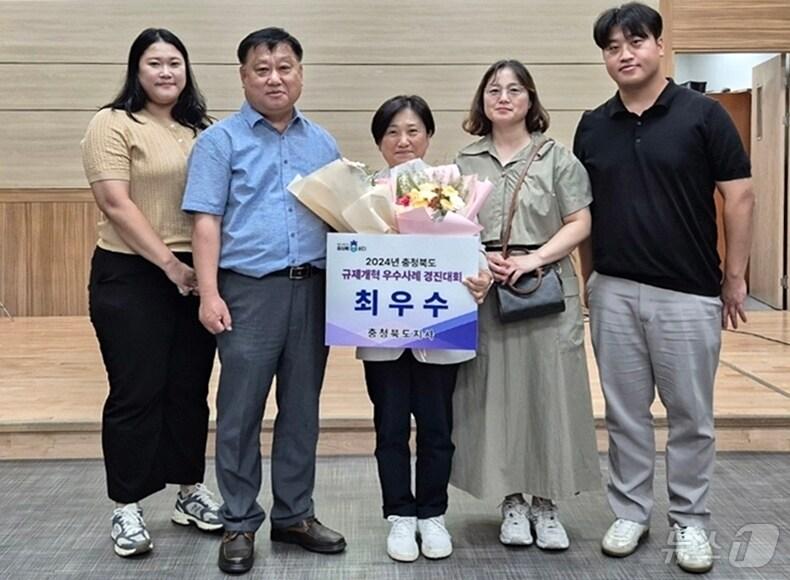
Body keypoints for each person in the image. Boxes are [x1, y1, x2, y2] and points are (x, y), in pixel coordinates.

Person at [573, 3, 754, 574]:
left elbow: (740, 198)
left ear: (657, 45)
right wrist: (590, 278)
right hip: (615, 290)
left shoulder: (704, 115)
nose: (624, 54)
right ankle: (630, 511)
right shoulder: (593, 124)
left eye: (635, 41)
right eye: (612, 47)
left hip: (689, 293)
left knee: (690, 416)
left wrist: (734, 279)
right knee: (626, 415)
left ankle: (691, 521)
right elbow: (583, 210)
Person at [182, 27, 346, 575]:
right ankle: (237, 520)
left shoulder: (322, 143)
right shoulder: (219, 142)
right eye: (262, 68)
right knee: (239, 412)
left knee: (302, 410)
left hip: (315, 289)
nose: (274, 77)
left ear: (300, 72)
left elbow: (344, 218)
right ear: (243, 76)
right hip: (248, 291)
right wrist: (209, 293)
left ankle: (295, 515)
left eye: (285, 67)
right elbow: (205, 221)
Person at [449, 59, 601, 551]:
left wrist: (532, 258)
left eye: (515, 89)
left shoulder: (558, 158)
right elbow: (449, 225)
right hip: (487, 288)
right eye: (494, 89)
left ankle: (547, 503)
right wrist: (481, 259)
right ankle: (510, 501)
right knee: (496, 395)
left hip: (546, 285)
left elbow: (579, 222)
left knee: (550, 393)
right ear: (482, 101)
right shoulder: (464, 161)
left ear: (531, 99)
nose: (504, 97)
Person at [81, 28, 220, 558]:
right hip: (132, 274)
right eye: (154, 63)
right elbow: (116, 203)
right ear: (136, 71)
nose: (166, 73)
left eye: (175, 63)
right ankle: (127, 505)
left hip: (197, 272)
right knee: (136, 391)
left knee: (189, 389)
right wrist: (169, 266)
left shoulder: (201, 129)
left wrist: (197, 275)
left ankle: (189, 491)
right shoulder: (112, 124)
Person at [359, 95, 492, 563]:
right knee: (390, 427)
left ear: (429, 136)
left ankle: (433, 514)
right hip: (383, 338)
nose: (403, 140)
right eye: (392, 131)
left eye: (413, 130)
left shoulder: (451, 190)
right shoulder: (363, 192)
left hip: (441, 331)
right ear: (379, 141)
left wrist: (481, 278)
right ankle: (400, 515)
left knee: (437, 428)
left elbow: (471, 247)